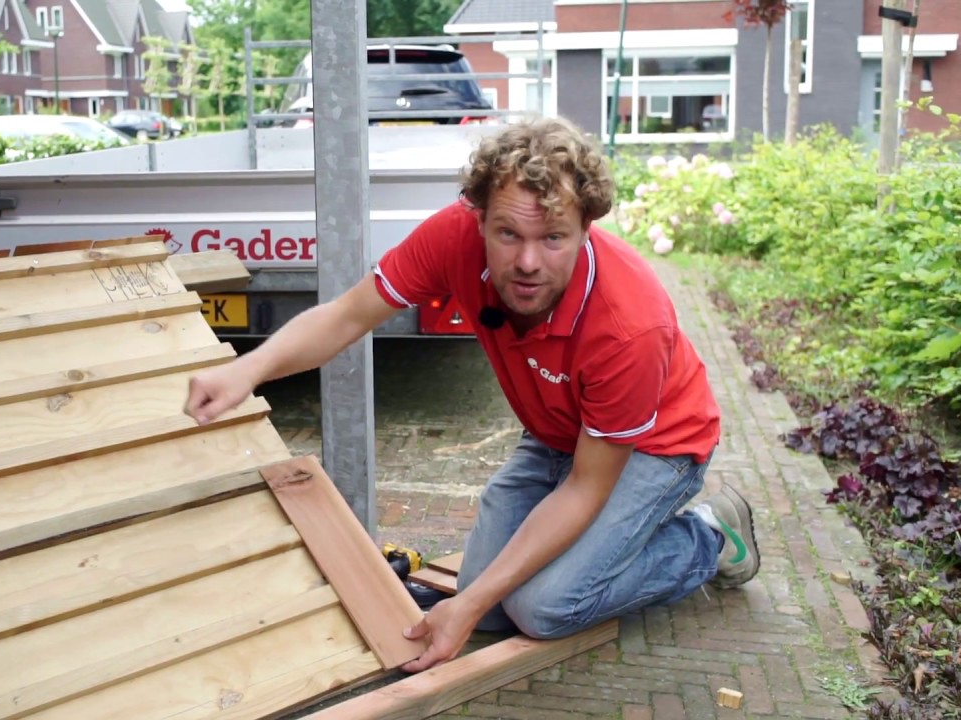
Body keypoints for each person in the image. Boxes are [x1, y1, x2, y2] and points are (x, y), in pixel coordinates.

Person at [182, 116, 760, 673]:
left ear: (588, 228)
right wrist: (246, 371)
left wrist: (477, 600)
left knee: (542, 608)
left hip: (653, 448)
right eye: (508, 233)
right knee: (484, 606)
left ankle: (705, 536)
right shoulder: (452, 236)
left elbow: (585, 488)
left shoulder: (629, 325)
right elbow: (346, 315)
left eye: (553, 238)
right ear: (478, 218)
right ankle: (609, 550)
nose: (528, 263)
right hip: (559, 431)